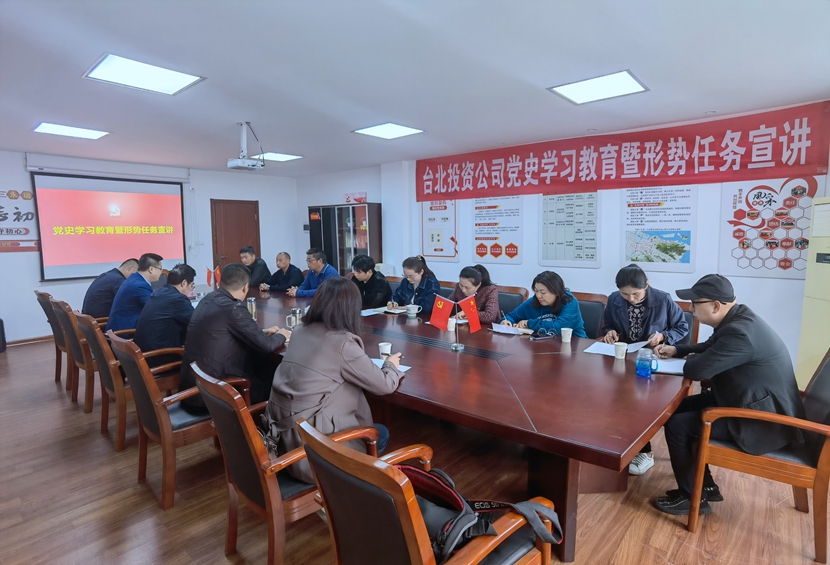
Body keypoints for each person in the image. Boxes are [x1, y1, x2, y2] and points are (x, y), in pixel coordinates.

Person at [651, 274, 806, 516]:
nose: (690, 309)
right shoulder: (738, 318)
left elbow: (697, 370)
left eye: (695, 304)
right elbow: (710, 346)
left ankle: (692, 498)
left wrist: (692, 359)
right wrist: (678, 349)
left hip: (762, 421)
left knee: (678, 425)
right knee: (674, 409)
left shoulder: (740, 333)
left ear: (716, 305)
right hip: (743, 400)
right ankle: (706, 486)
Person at [266, 277, 404, 483]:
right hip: (315, 456)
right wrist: (390, 365)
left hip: (283, 444)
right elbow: (384, 385)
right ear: (351, 308)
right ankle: (355, 487)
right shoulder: (343, 343)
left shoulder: (299, 331)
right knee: (379, 433)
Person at [601, 264, 689, 476]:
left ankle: (645, 451)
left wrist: (663, 336)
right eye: (625, 294)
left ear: (646, 285)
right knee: (616, 398)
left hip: (653, 359)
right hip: (624, 357)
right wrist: (610, 332)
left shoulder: (663, 299)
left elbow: (682, 327)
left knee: (642, 401)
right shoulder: (614, 299)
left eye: (636, 294)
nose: (630, 299)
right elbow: (608, 325)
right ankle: (622, 442)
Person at [179, 263, 291, 411]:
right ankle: (262, 423)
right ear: (245, 287)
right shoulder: (233, 308)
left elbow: (226, 331)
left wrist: (262, 332)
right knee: (273, 378)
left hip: (195, 386)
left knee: (263, 364)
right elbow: (267, 345)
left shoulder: (209, 299)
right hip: (215, 393)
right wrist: (282, 335)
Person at [133, 263, 197, 368]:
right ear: (184, 283)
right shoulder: (178, 299)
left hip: (144, 356)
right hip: (159, 359)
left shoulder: (159, 292)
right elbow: (197, 322)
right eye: (192, 285)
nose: (191, 289)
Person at [501, 271, 587, 337]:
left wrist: (529, 323)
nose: (538, 296)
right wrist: (506, 322)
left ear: (556, 292)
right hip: (543, 346)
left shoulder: (569, 301)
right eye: (536, 291)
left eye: (543, 292)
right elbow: (512, 316)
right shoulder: (535, 301)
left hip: (574, 346)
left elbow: (558, 328)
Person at [106, 253, 164, 332]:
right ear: (151, 269)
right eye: (160, 269)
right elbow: (155, 309)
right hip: (124, 333)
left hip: (118, 329)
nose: (161, 272)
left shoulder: (134, 278)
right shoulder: (140, 286)